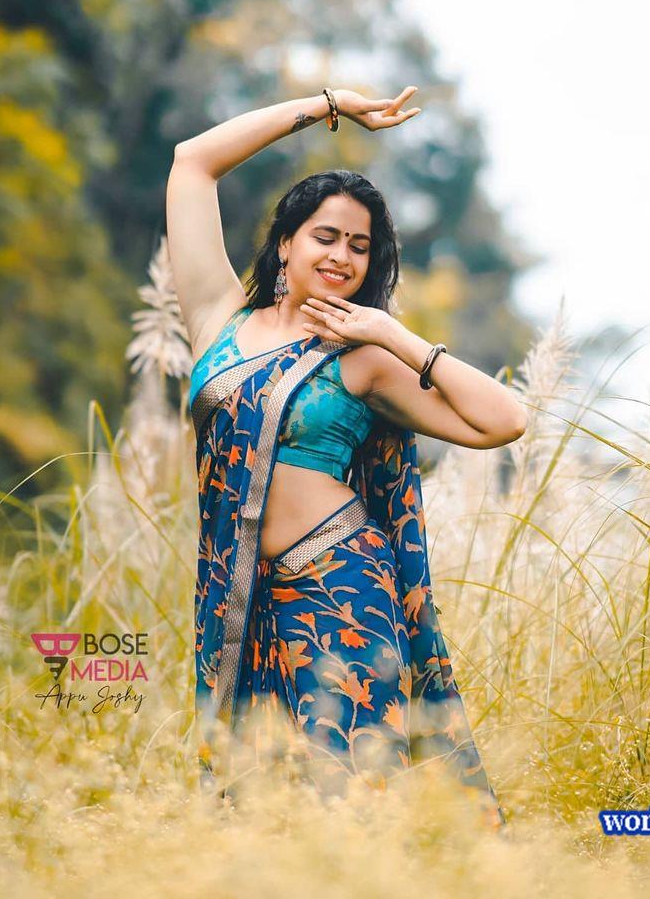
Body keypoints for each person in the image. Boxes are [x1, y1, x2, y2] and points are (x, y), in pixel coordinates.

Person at [165, 86, 526, 829]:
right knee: (259, 809)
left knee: (352, 798)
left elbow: (505, 421)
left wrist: (393, 335)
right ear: (286, 243)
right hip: (240, 603)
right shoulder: (219, 322)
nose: (341, 256)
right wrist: (329, 105)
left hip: (341, 587)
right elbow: (192, 163)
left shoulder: (362, 359)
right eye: (325, 236)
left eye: (360, 247)